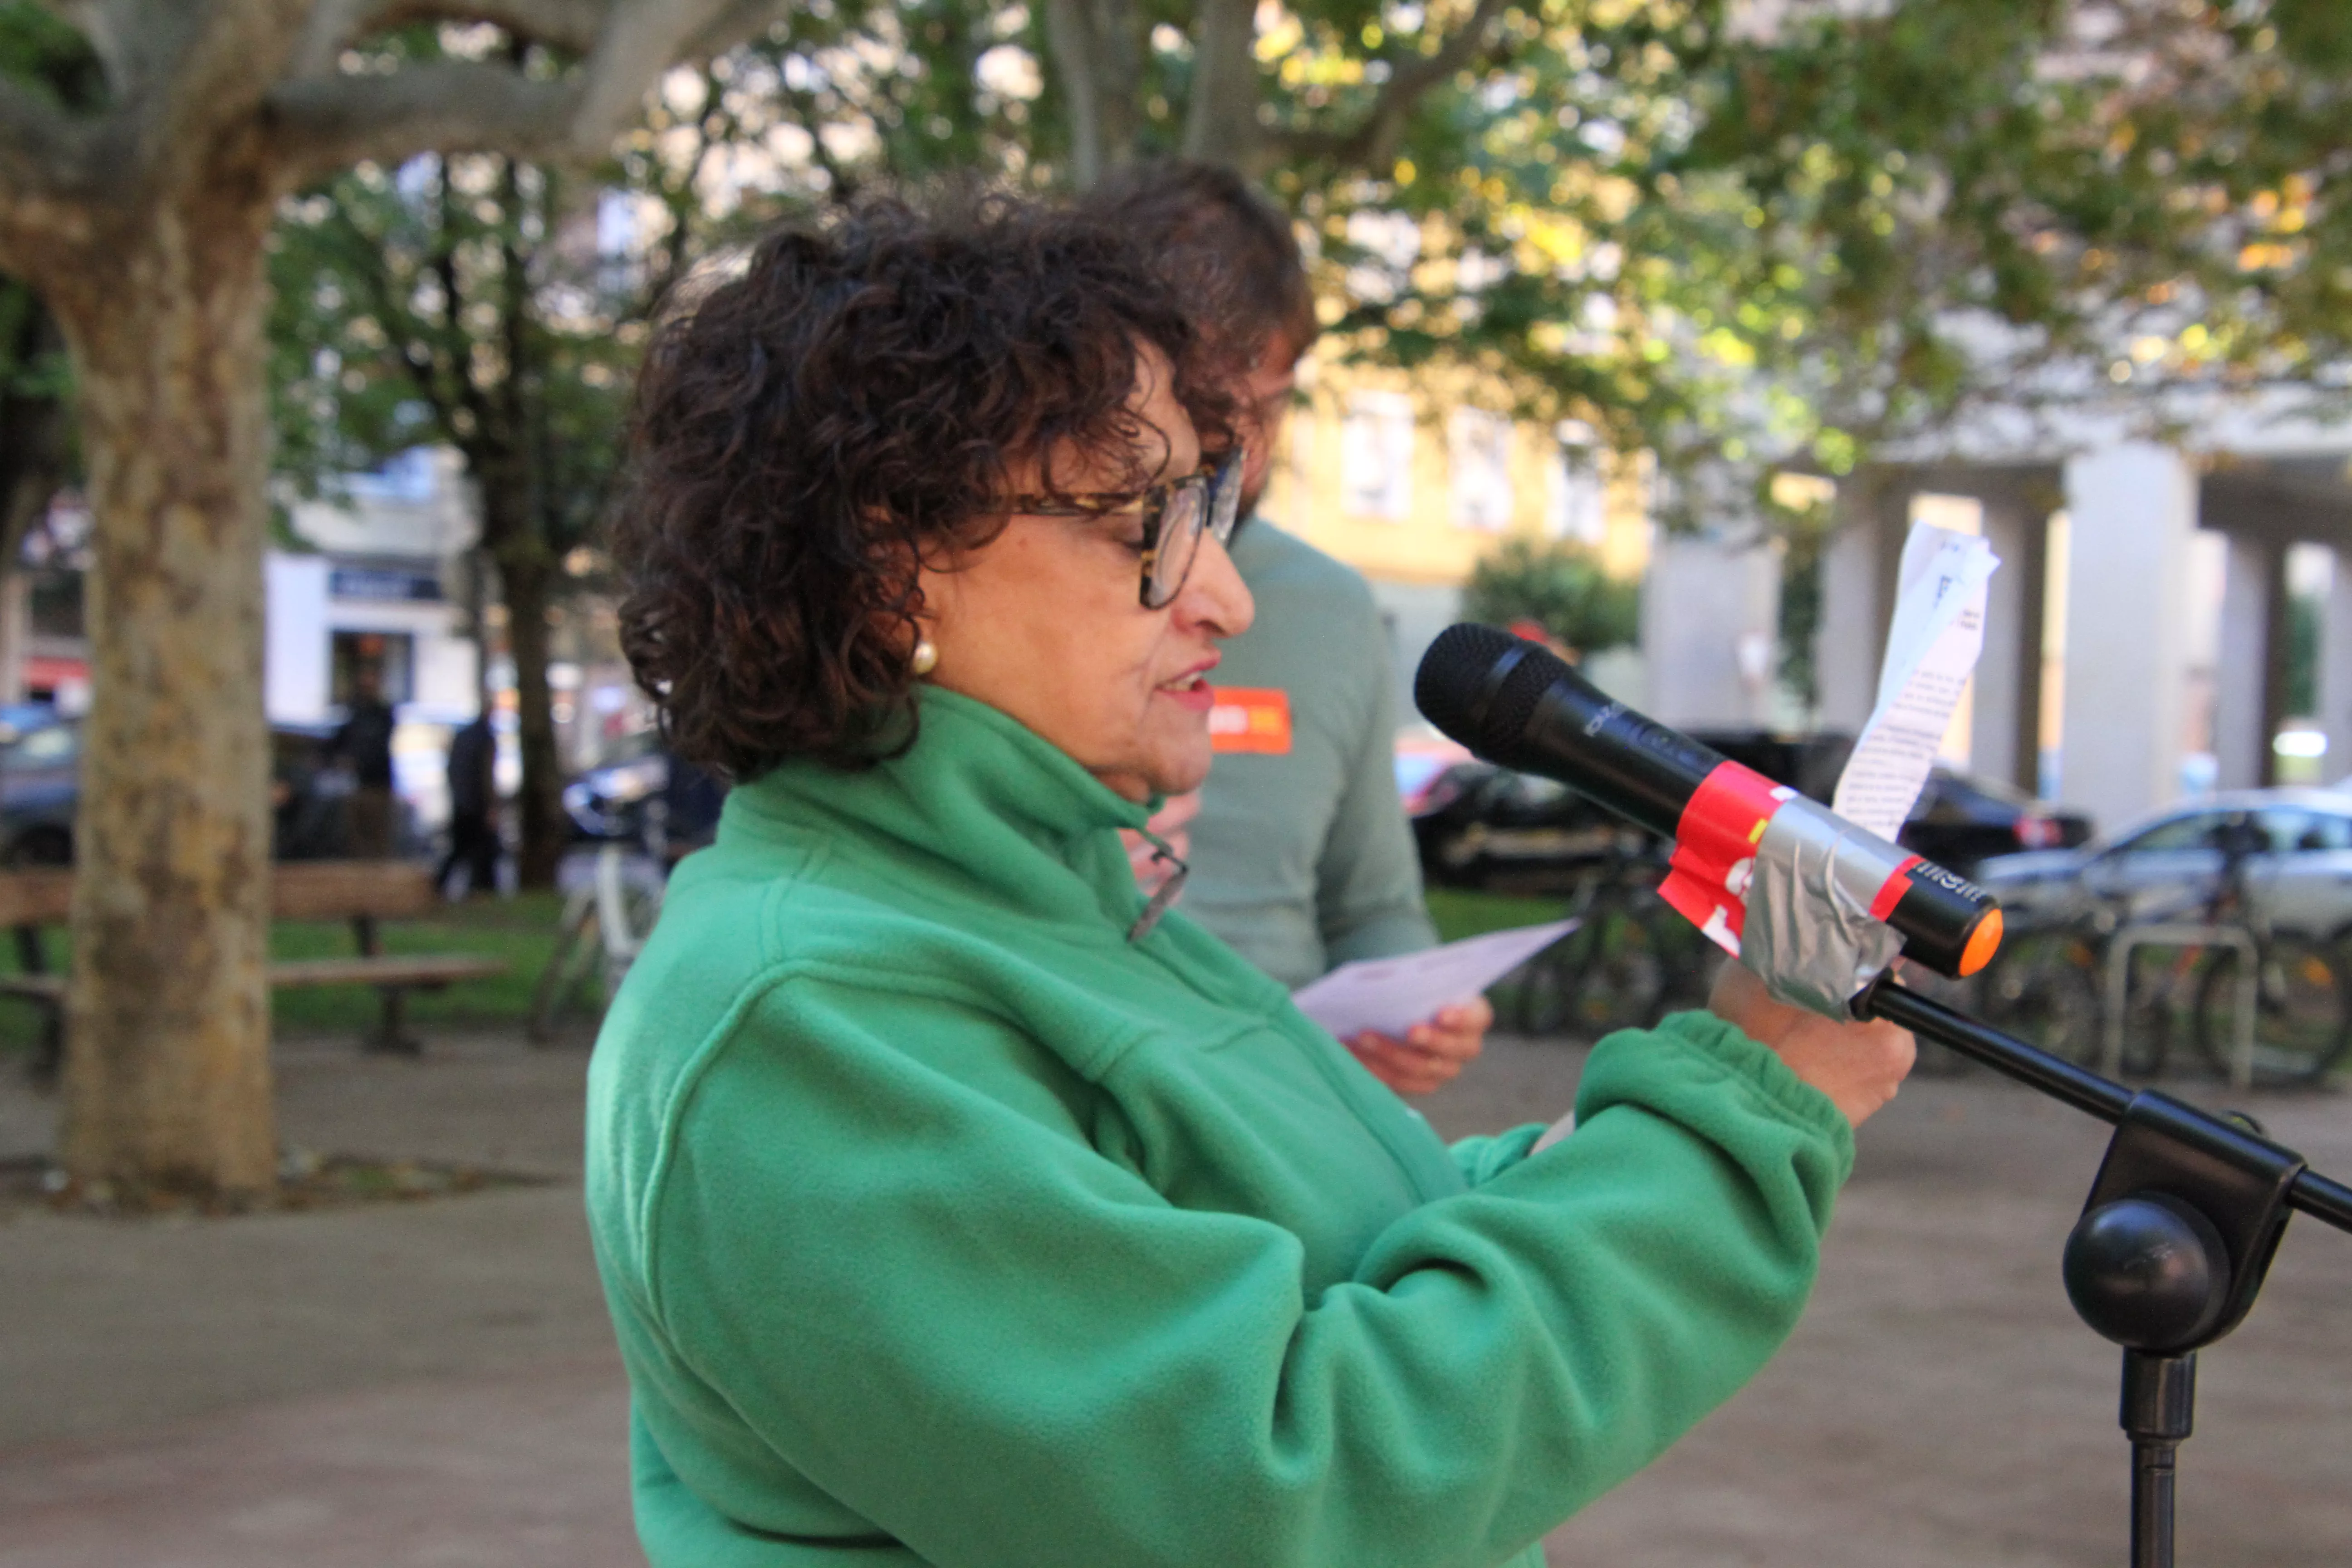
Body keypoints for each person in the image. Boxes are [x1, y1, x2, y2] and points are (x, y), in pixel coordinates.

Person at [590, 195, 1913, 1568]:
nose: (1224, 593)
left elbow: (1340, 1232)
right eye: (1142, 525)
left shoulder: (1058, 902)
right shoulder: (804, 1020)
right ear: (889, 565)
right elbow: (1279, 1490)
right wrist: (1734, 1124)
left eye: (1208, 508)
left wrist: (1656, 1118)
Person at [1086, 162, 1484, 1096]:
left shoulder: (1332, 609)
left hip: (1298, 1111)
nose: (1247, 448)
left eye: (1272, 406)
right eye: (1214, 408)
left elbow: (1376, 905)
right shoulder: (1029, 586)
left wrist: (1418, 1005)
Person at [329, 665, 398, 858]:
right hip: (358, 783)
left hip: (377, 783)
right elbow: (340, 740)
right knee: (357, 836)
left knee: (377, 832)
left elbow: (376, 744)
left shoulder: (383, 714)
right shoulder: (355, 713)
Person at [435, 710, 500, 897]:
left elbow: (453, 772)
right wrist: (491, 806)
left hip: (463, 803)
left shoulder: (463, 737)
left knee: (461, 850)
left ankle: (448, 887)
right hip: (477, 804)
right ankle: (480, 890)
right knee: (480, 851)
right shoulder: (485, 739)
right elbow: (487, 776)